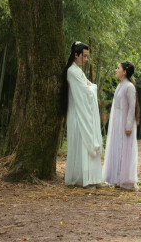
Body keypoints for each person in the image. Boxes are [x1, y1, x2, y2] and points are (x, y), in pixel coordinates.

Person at [62, 41, 103, 187]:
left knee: (84, 145)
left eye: (87, 57)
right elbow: (87, 90)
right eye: (84, 56)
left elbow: (90, 87)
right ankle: (81, 177)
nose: (86, 60)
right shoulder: (72, 72)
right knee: (81, 145)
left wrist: (90, 87)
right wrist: (91, 87)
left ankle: (88, 177)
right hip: (77, 113)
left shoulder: (78, 71)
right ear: (76, 55)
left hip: (82, 112)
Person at [102, 60, 139, 190]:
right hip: (117, 121)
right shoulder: (120, 86)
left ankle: (125, 178)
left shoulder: (129, 87)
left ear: (124, 72)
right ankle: (116, 178)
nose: (116, 70)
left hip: (124, 122)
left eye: (118, 68)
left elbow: (132, 108)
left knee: (124, 149)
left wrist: (129, 126)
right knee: (117, 148)